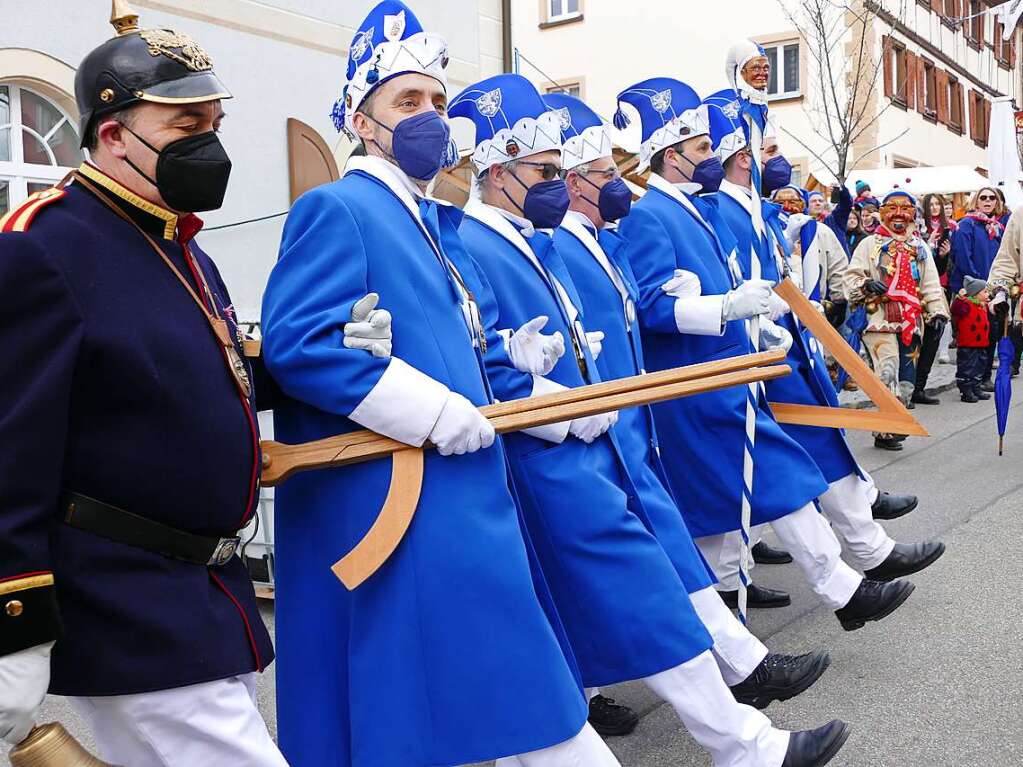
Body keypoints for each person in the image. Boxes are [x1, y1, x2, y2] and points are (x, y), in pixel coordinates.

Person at [448, 73, 849, 767]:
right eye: (551, 171)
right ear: (500, 170)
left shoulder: (528, 237)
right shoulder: (475, 243)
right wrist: (558, 400)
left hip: (601, 442)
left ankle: (746, 725)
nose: (583, 183)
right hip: (554, 457)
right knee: (628, 605)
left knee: (646, 597)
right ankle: (744, 732)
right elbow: (490, 365)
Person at [261, 5, 619, 765]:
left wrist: (534, 388)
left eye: (436, 102)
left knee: (506, 698)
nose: (429, 118)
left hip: (462, 492)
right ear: (363, 122)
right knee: (491, 703)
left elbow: (456, 350)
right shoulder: (339, 207)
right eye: (406, 103)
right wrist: (430, 408)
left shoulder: (428, 218)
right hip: (405, 499)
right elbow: (301, 344)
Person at [0, 6, 289, 764]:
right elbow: (11, 450)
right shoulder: (45, 246)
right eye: (185, 121)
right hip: (125, 600)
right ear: (112, 133)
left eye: (214, 121)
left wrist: (306, 361)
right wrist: (14, 622)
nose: (209, 143)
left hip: (203, 595)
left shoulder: (178, 240)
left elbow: (191, 374)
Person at [544, 91, 834, 720]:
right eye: (605, 175)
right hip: (593, 431)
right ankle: (597, 695)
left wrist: (739, 316)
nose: (620, 184)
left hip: (625, 427)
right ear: (572, 181)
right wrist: (721, 309)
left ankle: (735, 681)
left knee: (656, 559)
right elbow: (645, 312)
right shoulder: (571, 242)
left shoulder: (597, 238)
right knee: (622, 569)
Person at [614, 76, 915, 635]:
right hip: (698, 381)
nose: (715, 156)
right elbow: (652, 306)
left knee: (725, 505)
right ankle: (841, 587)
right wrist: (727, 308)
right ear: (669, 155)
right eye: (703, 149)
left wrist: (754, 321)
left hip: (731, 370)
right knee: (777, 478)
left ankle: (726, 610)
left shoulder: (693, 207)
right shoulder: (651, 214)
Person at [704, 92, 941, 602]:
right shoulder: (719, 209)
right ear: (743, 155)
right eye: (765, 150)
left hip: (787, 346)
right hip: (757, 353)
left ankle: (865, 544)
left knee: (814, 445)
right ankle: (749, 579)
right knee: (769, 468)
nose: (775, 160)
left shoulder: (751, 208)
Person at [846, 190, 950, 451]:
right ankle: (886, 428)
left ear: (914, 214)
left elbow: (930, 283)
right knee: (887, 370)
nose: (899, 213)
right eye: (892, 207)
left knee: (906, 377)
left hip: (911, 321)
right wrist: (866, 284)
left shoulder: (920, 247)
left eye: (905, 208)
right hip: (879, 318)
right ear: (882, 213)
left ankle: (894, 424)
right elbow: (850, 279)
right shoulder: (869, 245)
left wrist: (937, 311)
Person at [769, 184, 849, 327]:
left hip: (815, 307)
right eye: (779, 203)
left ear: (803, 204)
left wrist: (839, 301)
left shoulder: (821, 231)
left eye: (792, 201)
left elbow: (838, 266)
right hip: (778, 311)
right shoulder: (767, 233)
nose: (786, 206)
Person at [952, 187, 1004, 390]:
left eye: (992, 198)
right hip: (973, 290)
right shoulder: (967, 224)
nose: (988, 201)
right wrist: (980, 287)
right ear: (976, 201)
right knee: (971, 337)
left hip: (993, 289)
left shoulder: (997, 227)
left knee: (992, 333)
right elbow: (963, 257)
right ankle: (969, 380)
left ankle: (984, 377)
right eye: (983, 197)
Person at [914, 192, 957, 399]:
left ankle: (920, 386)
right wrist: (927, 243)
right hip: (910, 291)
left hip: (934, 288)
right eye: (929, 204)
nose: (933, 208)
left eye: (936, 204)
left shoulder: (946, 229)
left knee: (934, 334)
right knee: (912, 340)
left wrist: (942, 255)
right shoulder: (917, 231)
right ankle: (909, 387)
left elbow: (939, 269)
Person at [951, 276, 991, 402]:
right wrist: (960, 298)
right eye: (984, 291)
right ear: (975, 293)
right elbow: (955, 309)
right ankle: (966, 390)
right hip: (968, 344)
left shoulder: (983, 306)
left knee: (979, 366)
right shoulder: (966, 304)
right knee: (967, 367)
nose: (987, 294)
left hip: (981, 344)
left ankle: (976, 387)